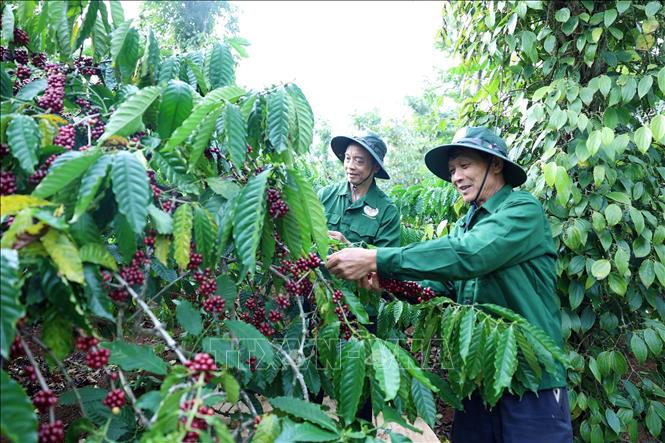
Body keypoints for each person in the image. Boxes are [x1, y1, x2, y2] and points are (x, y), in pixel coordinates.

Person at [326, 126, 573, 443]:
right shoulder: (465, 224)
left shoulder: (522, 210)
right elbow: (438, 287)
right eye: (453, 169)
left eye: (465, 165)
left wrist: (375, 258)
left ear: (495, 165)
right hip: (478, 375)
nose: (456, 176)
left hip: (531, 377)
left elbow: (468, 255)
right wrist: (387, 284)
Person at [318, 134, 400, 248]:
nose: (350, 166)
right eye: (347, 158)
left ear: (375, 167)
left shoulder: (387, 211)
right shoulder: (325, 195)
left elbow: (386, 260)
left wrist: (347, 246)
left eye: (359, 161)